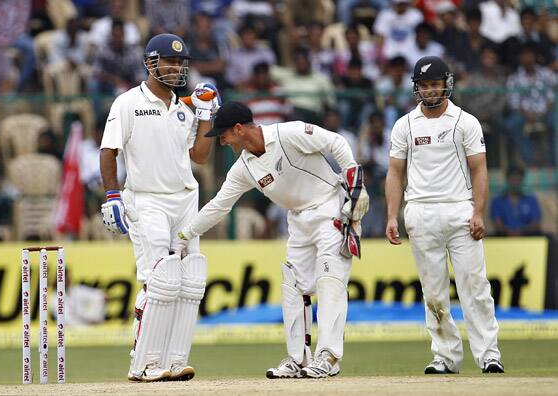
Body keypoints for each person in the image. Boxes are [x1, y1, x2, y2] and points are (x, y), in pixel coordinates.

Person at [175, 101, 369, 379]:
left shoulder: (288, 133)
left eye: (224, 135)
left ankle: (328, 357)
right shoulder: (244, 168)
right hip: (298, 221)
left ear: (239, 128)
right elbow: (219, 205)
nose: (222, 141)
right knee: (293, 284)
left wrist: (354, 182)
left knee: (330, 280)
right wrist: (186, 234)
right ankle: (298, 359)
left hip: (330, 207)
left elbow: (335, 142)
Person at [99, 33, 221, 382]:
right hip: (146, 198)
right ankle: (144, 363)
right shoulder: (126, 103)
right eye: (168, 61)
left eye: (180, 62)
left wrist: (205, 116)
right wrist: (112, 195)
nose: (175, 67)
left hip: (185, 198)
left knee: (189, 281)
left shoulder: (184, 108)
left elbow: (199, 156)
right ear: (150, 63)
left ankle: (174, 360)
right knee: (159, 280)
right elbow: (109, 151)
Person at [385, 56, 504, 375]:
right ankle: (445, 356)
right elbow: (395, 173)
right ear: (416, 88)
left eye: (434, 84)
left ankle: (488, 354)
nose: (429, 90)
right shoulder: (405, 125)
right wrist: (392, 217)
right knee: (433, 292)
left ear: (446, 84)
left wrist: (478, 211)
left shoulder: (466, 121)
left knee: (474, 286)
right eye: (423, 85)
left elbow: (479, 169)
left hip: (459, 210)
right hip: (420, 213)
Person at [490, 166, 542, 236]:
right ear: (507, 180)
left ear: (522, 180)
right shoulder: (497, 200)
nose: (515, 183)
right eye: (513, 180)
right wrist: (508, 232)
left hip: (527, 237)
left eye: (518, 180)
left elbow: (536, 222)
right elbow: (496, 222)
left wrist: (521, 232)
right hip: (504, 238)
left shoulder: (531, 200)